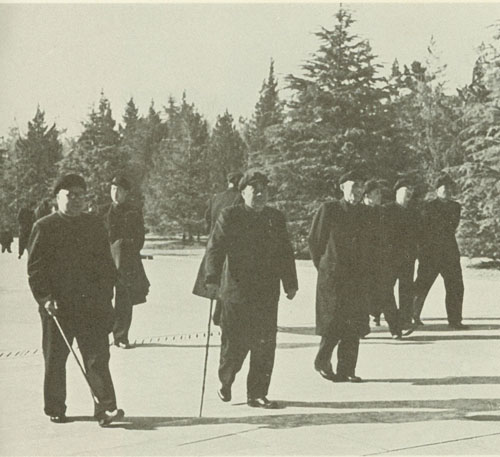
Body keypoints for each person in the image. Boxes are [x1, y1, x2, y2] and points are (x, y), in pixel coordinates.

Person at [27, 173, 124, 426]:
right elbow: (35, 270)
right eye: (70, 195)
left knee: (97, 358)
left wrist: (106, 295)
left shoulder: (94, 224)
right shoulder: (44, 227)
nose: (77, 200)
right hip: (57, 307)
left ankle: (106, 408)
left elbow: (106, 264)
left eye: (81, 195)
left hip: (91, 305)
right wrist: (45, 298)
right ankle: (55, 407)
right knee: (56, 359)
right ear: (57, 198)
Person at [205, 170, 298, 409]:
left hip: (266, 292)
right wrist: (212, 278)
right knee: (234, 344)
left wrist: (290, 283)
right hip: (236, 292)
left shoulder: (275, 218)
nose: (260, 194)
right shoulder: (230, 215)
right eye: (254, 190)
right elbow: (215, 248)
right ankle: (226, 380)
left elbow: (285, 253)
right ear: (243, 192)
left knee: (265, 345)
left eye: (264, 190)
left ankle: (257, 393)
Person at [308, 171, 371, 383]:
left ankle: (347, 369)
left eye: (360, 186)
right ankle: (322, 361)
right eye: (353, 186)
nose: (357, 191)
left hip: (358, 276)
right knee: (332, 321)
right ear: (343, 188)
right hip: (333, 276)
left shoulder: (366, 213)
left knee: (354, 324)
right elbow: (315, 241)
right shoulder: (330, 209)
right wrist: (325, 266)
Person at [99, 174, 150, 349]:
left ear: (126, 193)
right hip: (104, 261)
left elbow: (139, 239)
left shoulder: (133, 212)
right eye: (113, 189)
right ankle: (102, 334)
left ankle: (121, 336)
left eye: (119, 190)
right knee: (102, 298)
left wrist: (124, 247)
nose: (115, 193)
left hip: (126, 262)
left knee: (124, 300)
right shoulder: (101, 211)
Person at [413, 174, 467, 329]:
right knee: (422, 285)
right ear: (437, 190)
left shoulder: (455, 206)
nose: (447, 191)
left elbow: (451, 226)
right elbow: (422, 229)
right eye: (444, 188)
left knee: (456, 286)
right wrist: (422, 251)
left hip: (449, 252)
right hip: (430, 253)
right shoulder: (428, 207)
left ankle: (455, 320)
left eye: (450, 188)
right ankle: (412, 315)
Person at [192, 171, 243, 325]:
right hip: (230, 245)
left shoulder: (216, 197)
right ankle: (221, 314)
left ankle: (218, 313)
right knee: (229, 280)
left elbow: (207, 220)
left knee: (216, 277)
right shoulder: (239, 198)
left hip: (214, 243)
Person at [363, 180, 403, 339]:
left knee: (387, 294)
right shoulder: (359, 212)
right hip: (364, 261)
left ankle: (396, 330)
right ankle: (361, 329)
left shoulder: (384, 212)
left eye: (380, 193)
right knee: (363, 295)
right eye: (376, 193)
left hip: (382, 261)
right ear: (367, 196)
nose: (380, 196)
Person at [383, 179, 419, 333]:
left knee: (406, 289)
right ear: (397, 192)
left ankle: (405, 320)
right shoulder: (387, 210)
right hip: (390, 257)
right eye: (406, 190)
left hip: (408, 257)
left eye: (411, 191)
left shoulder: (413, 212)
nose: (409, 193)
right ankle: (389, 319)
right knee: (386, 289)